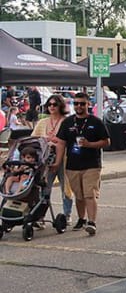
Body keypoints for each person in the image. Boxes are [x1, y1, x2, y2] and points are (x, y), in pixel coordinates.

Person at [56, 92, 110, 236]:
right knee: (79, 195)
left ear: (88, 104)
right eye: (76, 103)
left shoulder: (95, 122)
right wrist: (57, 162)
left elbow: (106, 141)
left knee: (89, 194)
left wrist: (89, 144)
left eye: (82, 103)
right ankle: (81, 219)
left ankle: (92, 222)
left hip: (91, 164)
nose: (79, 106)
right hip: (72, 165)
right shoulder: (67, 122)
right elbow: (61, 143)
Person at [32, 94, 74, 224]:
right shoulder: (42, 122)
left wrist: (58, 142)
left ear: (60, 106)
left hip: (65, 158)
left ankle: (67, 215)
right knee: (45, 188)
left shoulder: (67, 121)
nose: (51, 107)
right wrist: (45, 140)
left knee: (66, 188)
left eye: (55, 104)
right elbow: (33, 139)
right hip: (46, 159)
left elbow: (72, 140)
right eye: (49, 104)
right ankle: (40, 217)